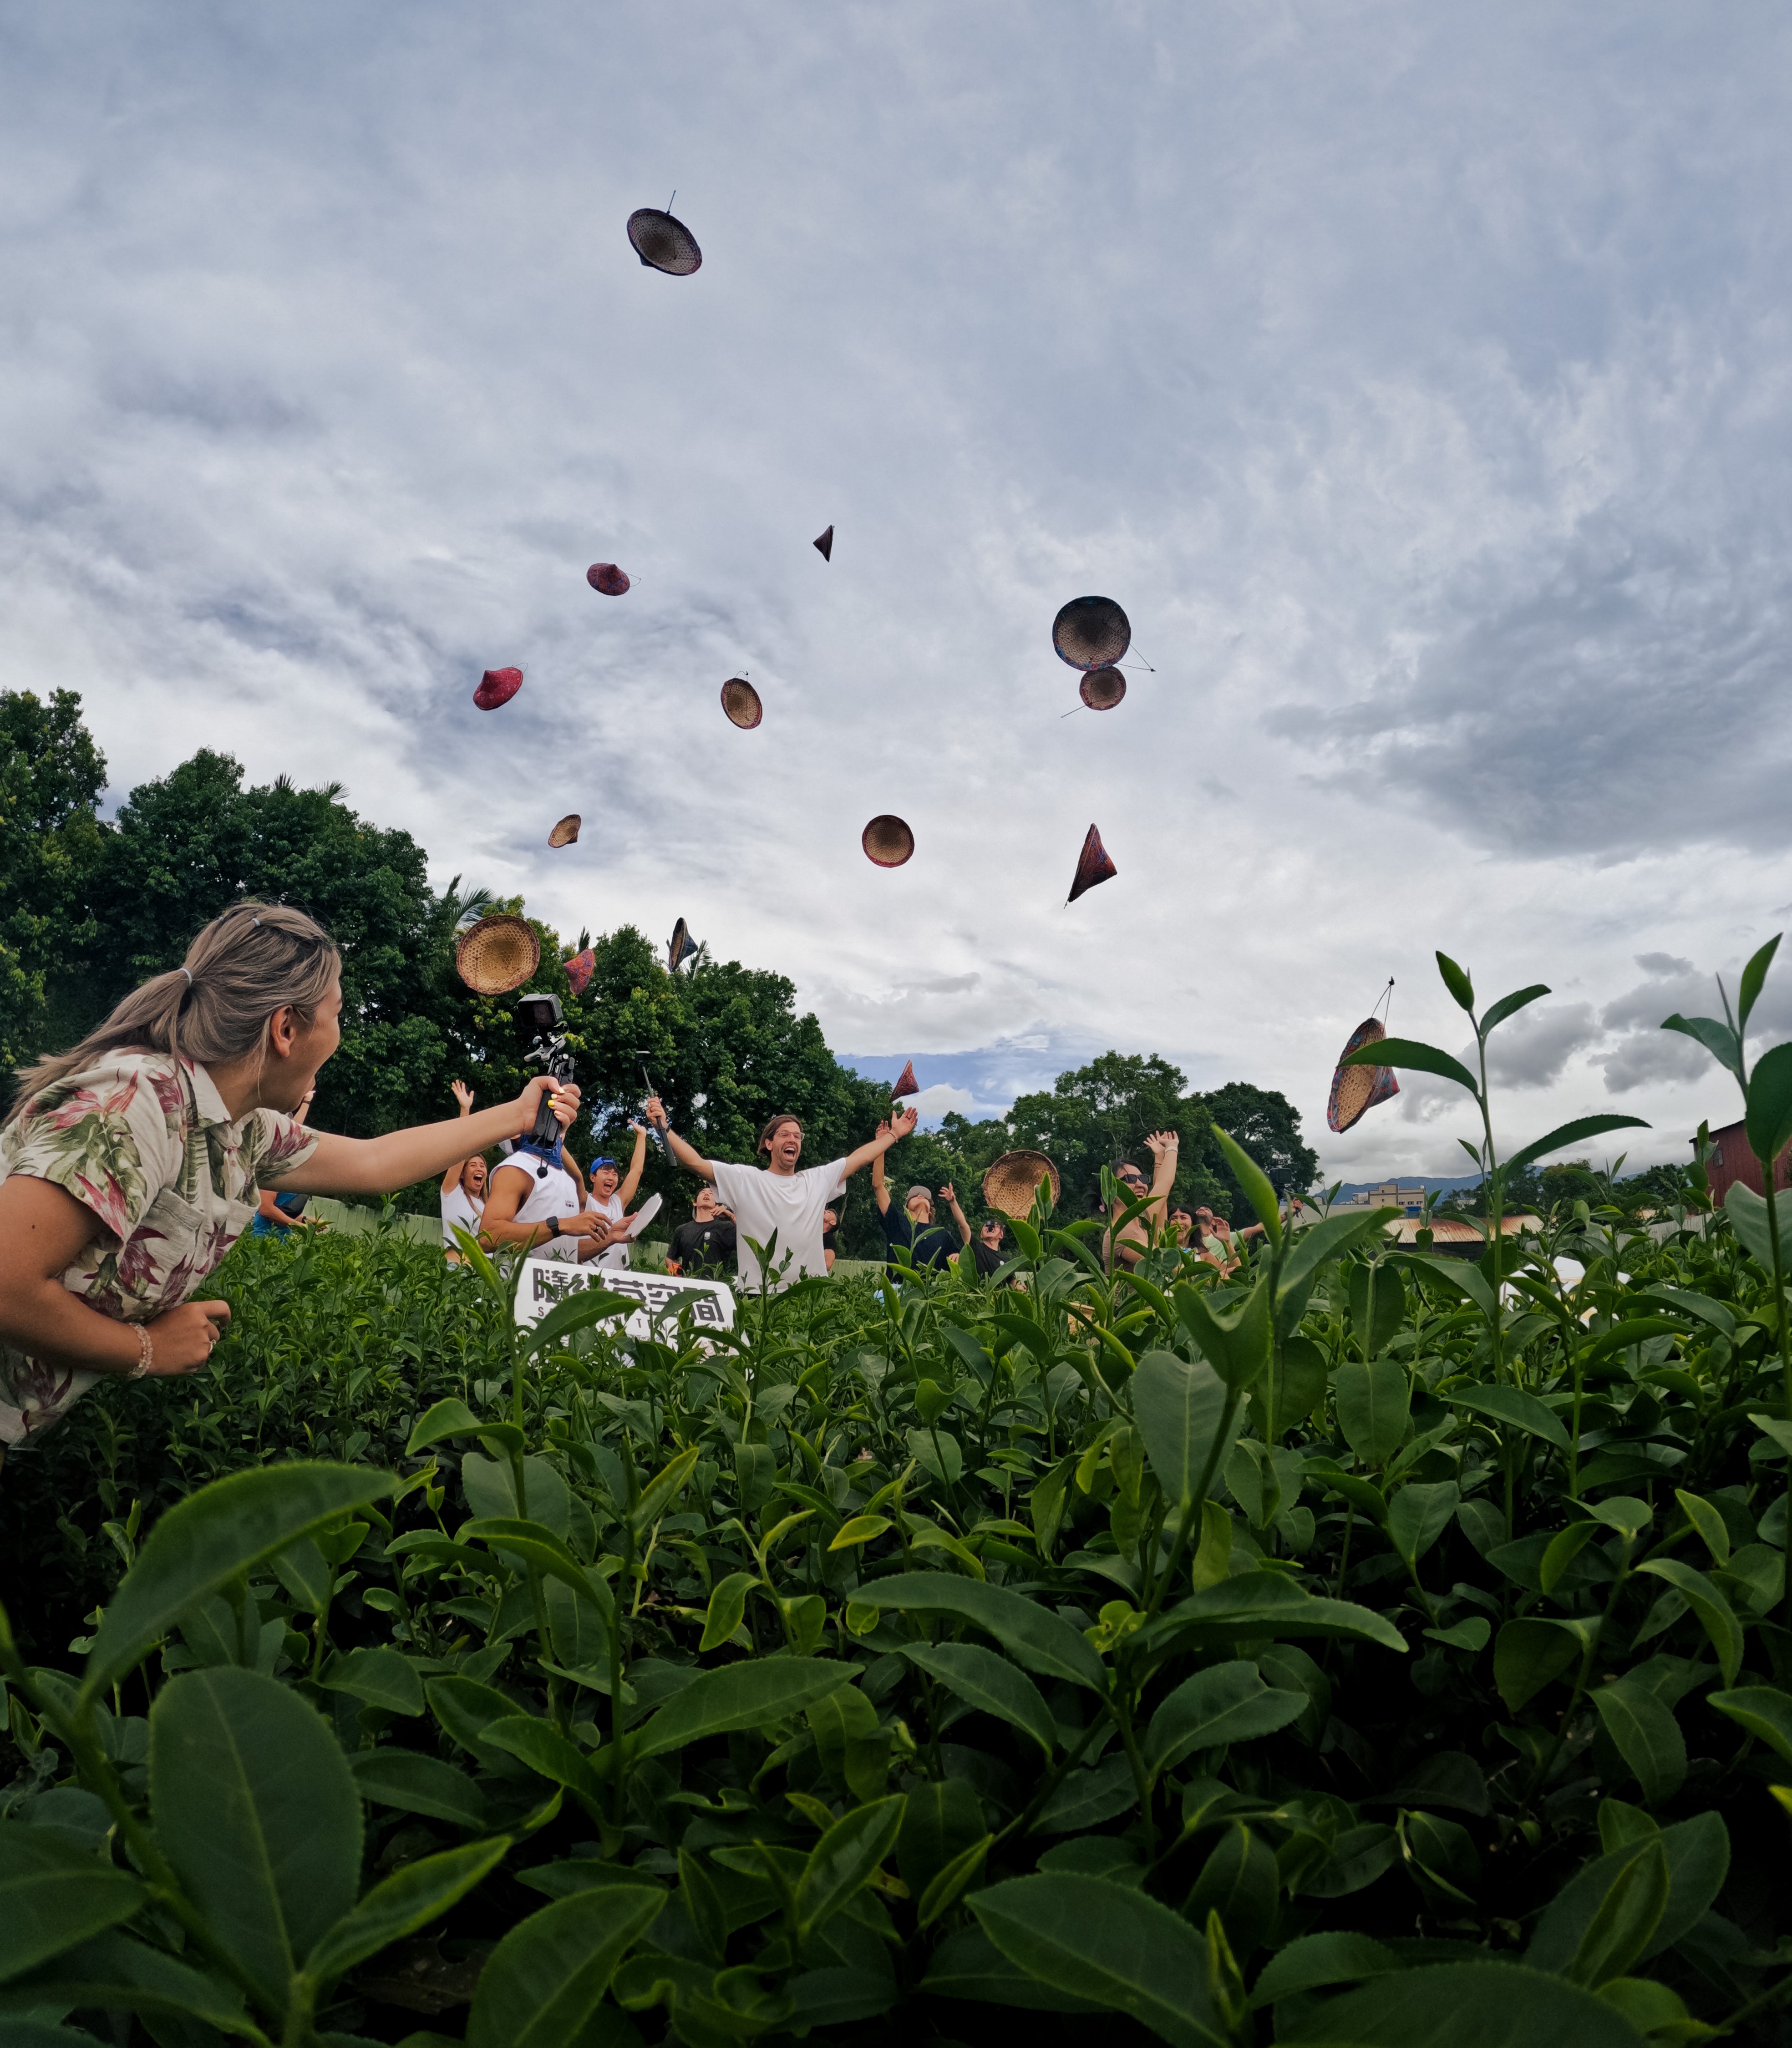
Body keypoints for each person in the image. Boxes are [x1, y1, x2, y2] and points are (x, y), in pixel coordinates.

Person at [0, 902, 580, 1454]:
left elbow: (376, 1163)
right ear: (285, 1029)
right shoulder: (136, 1105)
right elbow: (7, 1284)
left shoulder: (241, 1127)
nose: (339, 1035)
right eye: (337, 1015)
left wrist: (517, 1114)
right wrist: (144, 1349)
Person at [644, 1096, 917, 1292]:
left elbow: (860, 1157)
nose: (793, 1140)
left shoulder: (816, 1180)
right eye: (785, 1134)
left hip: (806, 1296)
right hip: (756, 1295)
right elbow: (697, 1164)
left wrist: (894, 1134)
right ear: (769, 1143)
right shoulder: (746, 1180)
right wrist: (664, 1130)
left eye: (798, 1136)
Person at [870, 1133, 966, 1271]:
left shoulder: (942, 1234)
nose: (920, 1195)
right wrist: (881, 1144)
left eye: (925, 1197)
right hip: (897, 1289)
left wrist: (958, 1256)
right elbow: (878, 1185)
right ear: (907, 1207)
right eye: (914, 1196)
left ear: (931, 1209)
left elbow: (960, 1259)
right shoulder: (897, 1223)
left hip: (929, 1291)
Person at [1104, 1131, 1179, 1272]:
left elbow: (1161, 1194)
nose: (1140, 1185)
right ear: (1111, 1190)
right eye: (1130, 1179)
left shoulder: (1141, 1223)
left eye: (1143, 1179)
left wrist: (1160, 1158)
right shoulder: (1121, 1233)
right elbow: (1170, 1267)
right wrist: (1172, 1148)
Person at [582, 1125, 650, 1269]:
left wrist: (642, 1136)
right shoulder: (585, 1201)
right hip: (591, 1277)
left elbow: (637, 1170)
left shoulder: (618, 1201)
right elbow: (575, 1178)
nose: (611, 1177)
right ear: (593, 1177)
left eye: (614, 1174)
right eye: (606, 1173)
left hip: (620, 1278)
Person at [252, 1087, 316, 1238]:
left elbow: (280, 1212)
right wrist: (306, 1101)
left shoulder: (290, 1169)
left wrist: (308, 1222)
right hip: (264, 1238)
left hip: (279, 1238)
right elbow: (266, 1210)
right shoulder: (274, 1163)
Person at [440, 1080, 489, 1261]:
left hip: (484, 1275)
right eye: (473, 1165)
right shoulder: (452, 1194)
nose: (479, 1169)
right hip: (456, 1269)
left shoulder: (487, 1207)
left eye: (483, 1166)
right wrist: (465, 1111)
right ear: (462, 1172)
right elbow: (460, 1149)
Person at [667, 1186, 736, 1276]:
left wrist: (732, 1217)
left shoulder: (725, 1228)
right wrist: (671, 1266)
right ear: (695, 1203)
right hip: (688, 1284)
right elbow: (670, 1257)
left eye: (712, 1194)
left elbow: (746, 1238)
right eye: (703, 1193)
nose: (707, 1194)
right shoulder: (682, 1230)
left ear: (717, 1205)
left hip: (714, 1286)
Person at [822, 1206, 839, 1275]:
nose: (825, 1211)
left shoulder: (829, 1239)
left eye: (829, 1213)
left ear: (833, 1222)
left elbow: (828, 1265)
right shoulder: (814, 1235)